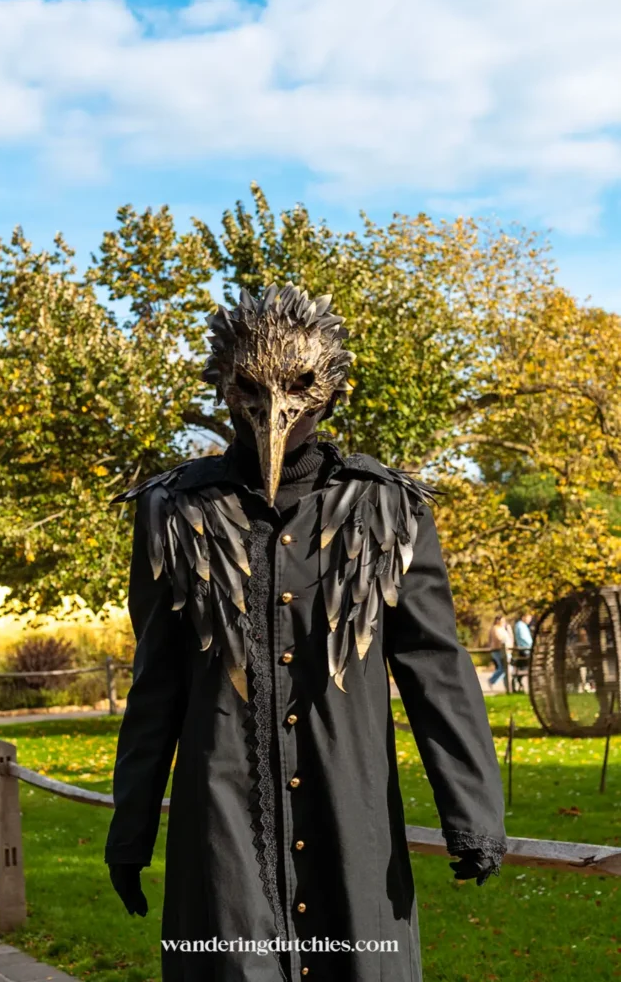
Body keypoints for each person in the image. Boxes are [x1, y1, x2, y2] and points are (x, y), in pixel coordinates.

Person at [104, 283, 507, 982]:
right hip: (225, 832)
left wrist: (471, 814)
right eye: (252, 388)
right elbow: (157, 681)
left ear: (331, 384)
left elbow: (433, 665)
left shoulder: (385, 510)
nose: (276, 410)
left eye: (297, 385)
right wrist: (130, 831)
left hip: (349, 826)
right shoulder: (173, 512)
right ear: (225, 383)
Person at [488, 614, 510, 690]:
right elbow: (498, 638)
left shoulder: (503, 628)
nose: (503, 622)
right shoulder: (495, 628)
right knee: (503, 668)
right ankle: (491, 680)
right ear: (497, 620)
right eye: (502, 620)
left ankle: (507, 686)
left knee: (506, 668)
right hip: (498, 651)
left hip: (505, 650)